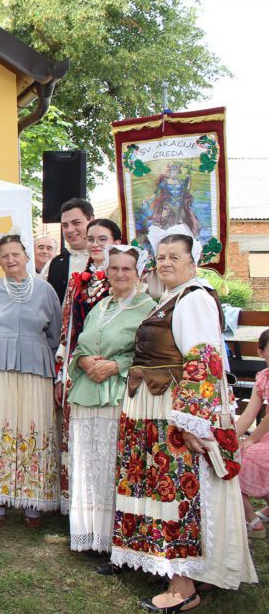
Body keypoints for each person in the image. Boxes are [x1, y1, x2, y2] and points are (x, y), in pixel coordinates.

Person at [111, 225, 257, 612]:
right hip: (157, 407)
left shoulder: (193, 298)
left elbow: (205, 360)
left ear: (193, 263)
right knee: (167, 490)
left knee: (178, 490)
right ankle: (188, 573)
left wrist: (194, 422)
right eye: (160, 257)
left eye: (175, 256)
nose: (166, 263)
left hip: (176, 410)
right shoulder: (172, 296)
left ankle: (183, 586)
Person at [64, 246, 153, 561]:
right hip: (87, 395)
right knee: (87, 464)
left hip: (119, 395)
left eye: (126, 269)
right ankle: (88, 533)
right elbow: (78, 348)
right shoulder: (100, 306)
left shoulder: (148, 307)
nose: (119, 274)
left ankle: (113, 537)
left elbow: (149, 355)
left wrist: (116, 366)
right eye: (114, 268)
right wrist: (85, 361)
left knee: (112, 465)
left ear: (138, 272)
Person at [0, 231, 61, 527]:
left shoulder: (46, 290)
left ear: (26, 255)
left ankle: (32, 502)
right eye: (4, 256)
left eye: (15, 254)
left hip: (36, 367)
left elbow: (55, 334)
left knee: (32, 426)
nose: (10, 260)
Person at [55, 218, 122, 513]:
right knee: (80, 437)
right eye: (91, 239)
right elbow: (67, 328)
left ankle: (109, 509)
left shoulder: (125, 278)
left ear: (116, 242)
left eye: (102, 239)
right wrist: (66, 368)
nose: (96, 244)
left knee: (109, 441)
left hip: (112, 367)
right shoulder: (79, 280)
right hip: (81, 365)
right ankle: (82, 508)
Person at [235, 329, 269, 538]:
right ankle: (253, 519)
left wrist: (251, 439)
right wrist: (228, 440)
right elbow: (248, 415)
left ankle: (253, 522)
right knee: (230, 454)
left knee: (247, 456)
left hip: (264, 436)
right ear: (260, 352)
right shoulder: (263, 377)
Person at [44, 198, 94, 302]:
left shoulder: (107, 260)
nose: (70, 230)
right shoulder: (54, 264)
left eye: (76, 223)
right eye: (65, 225)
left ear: (91, 221)